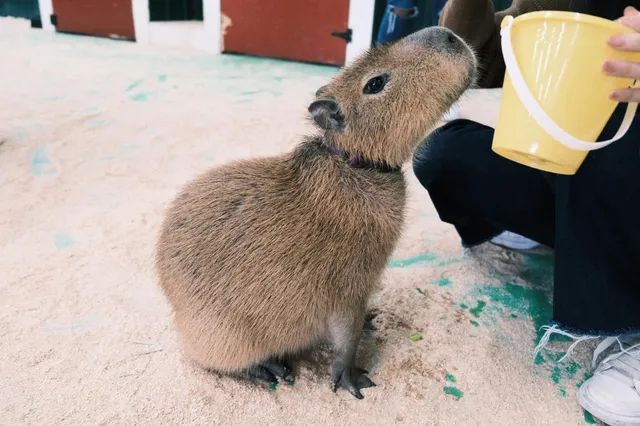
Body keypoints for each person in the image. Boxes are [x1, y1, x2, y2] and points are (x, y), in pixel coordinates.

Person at [412, 2, 640, 424]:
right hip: (594, 175)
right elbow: (484, 62)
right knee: (445, 153)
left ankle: (628, 325)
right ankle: (569, 229)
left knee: (604, 123)